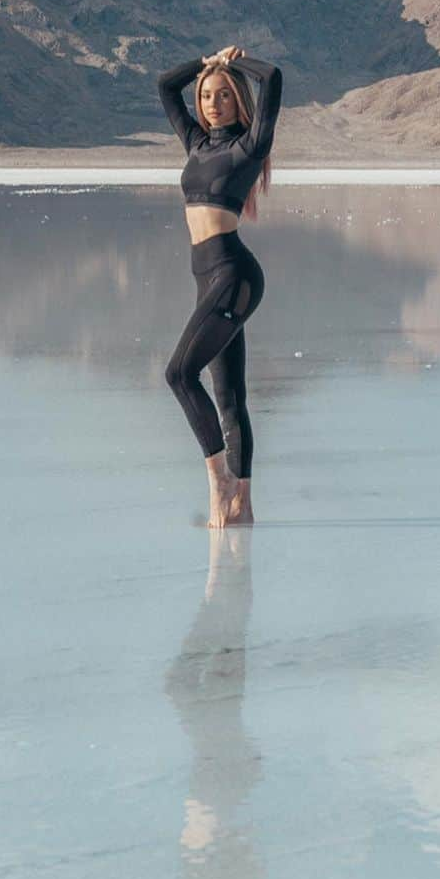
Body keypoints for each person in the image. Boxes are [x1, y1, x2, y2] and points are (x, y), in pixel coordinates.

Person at [157, 43, 283, 527]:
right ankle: (243, 506)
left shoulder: (249, 146)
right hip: (205, 277)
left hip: (233, 275)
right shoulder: (197, 145)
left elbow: (271, 78)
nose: (212, 103)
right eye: (206, 96)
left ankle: (220, 482)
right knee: (229, 396)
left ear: (237, 101)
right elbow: (166, 87)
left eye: (222, 96)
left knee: (178, 374)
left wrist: (232, 64)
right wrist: (203, 63)